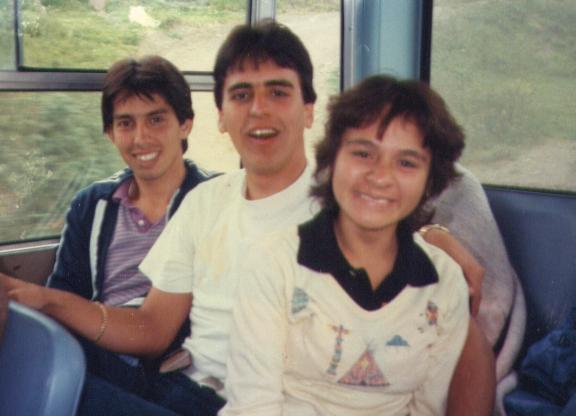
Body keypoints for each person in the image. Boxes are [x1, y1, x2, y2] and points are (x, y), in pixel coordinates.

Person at [1, 21, 493, 415]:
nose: (258, 110)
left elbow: (462, 341)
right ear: (220, 115)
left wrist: (434, 237)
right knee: (42, 368)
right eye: (241, 95)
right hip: (182, 389)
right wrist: (41, 299)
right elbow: (152, 328)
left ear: (308, 110)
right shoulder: (205, 203)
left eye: (278, 92)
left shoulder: (350, 209)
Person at [220, 74, 472, 415]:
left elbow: (427, 409)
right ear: (332, 159)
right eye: (363, 153)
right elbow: (254, 407)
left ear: (430, 181)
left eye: (406, 163)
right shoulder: (273, 262)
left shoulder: (445, 282)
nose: (380, 176)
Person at [4, 55, 213, 393]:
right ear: (110, 133)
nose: (141, 137)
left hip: (171, 370)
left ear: (185, 125)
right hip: (96, 355)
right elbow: (65, 297)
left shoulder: (212, 201)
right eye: (126, 123)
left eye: (156, 119)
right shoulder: (92, 204)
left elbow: (168, 329)